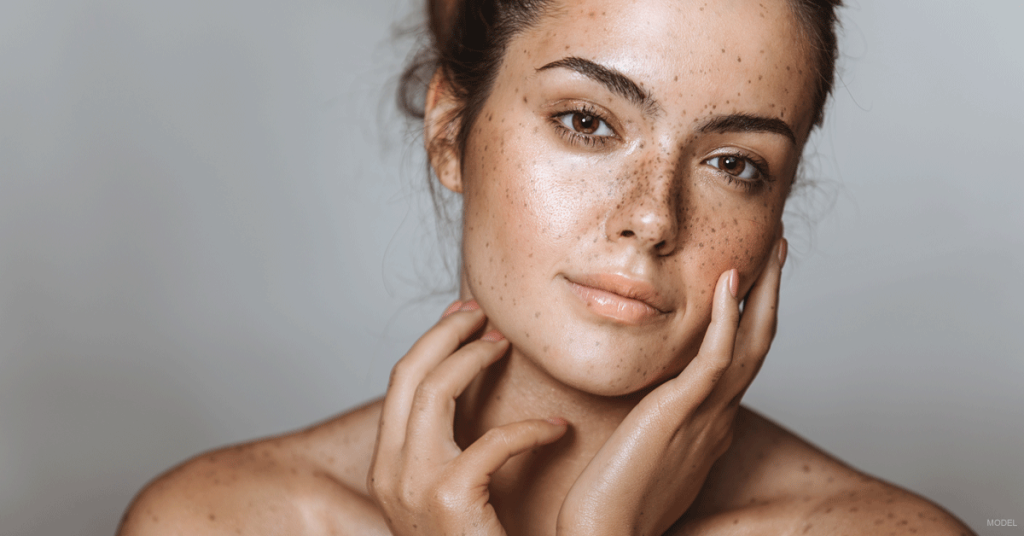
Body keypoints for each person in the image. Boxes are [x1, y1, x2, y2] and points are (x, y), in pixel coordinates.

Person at [118, 0, 976, 534]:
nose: (651, 217)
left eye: (734, 164)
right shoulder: (218, 521)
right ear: (451, 133)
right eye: (587, 123)